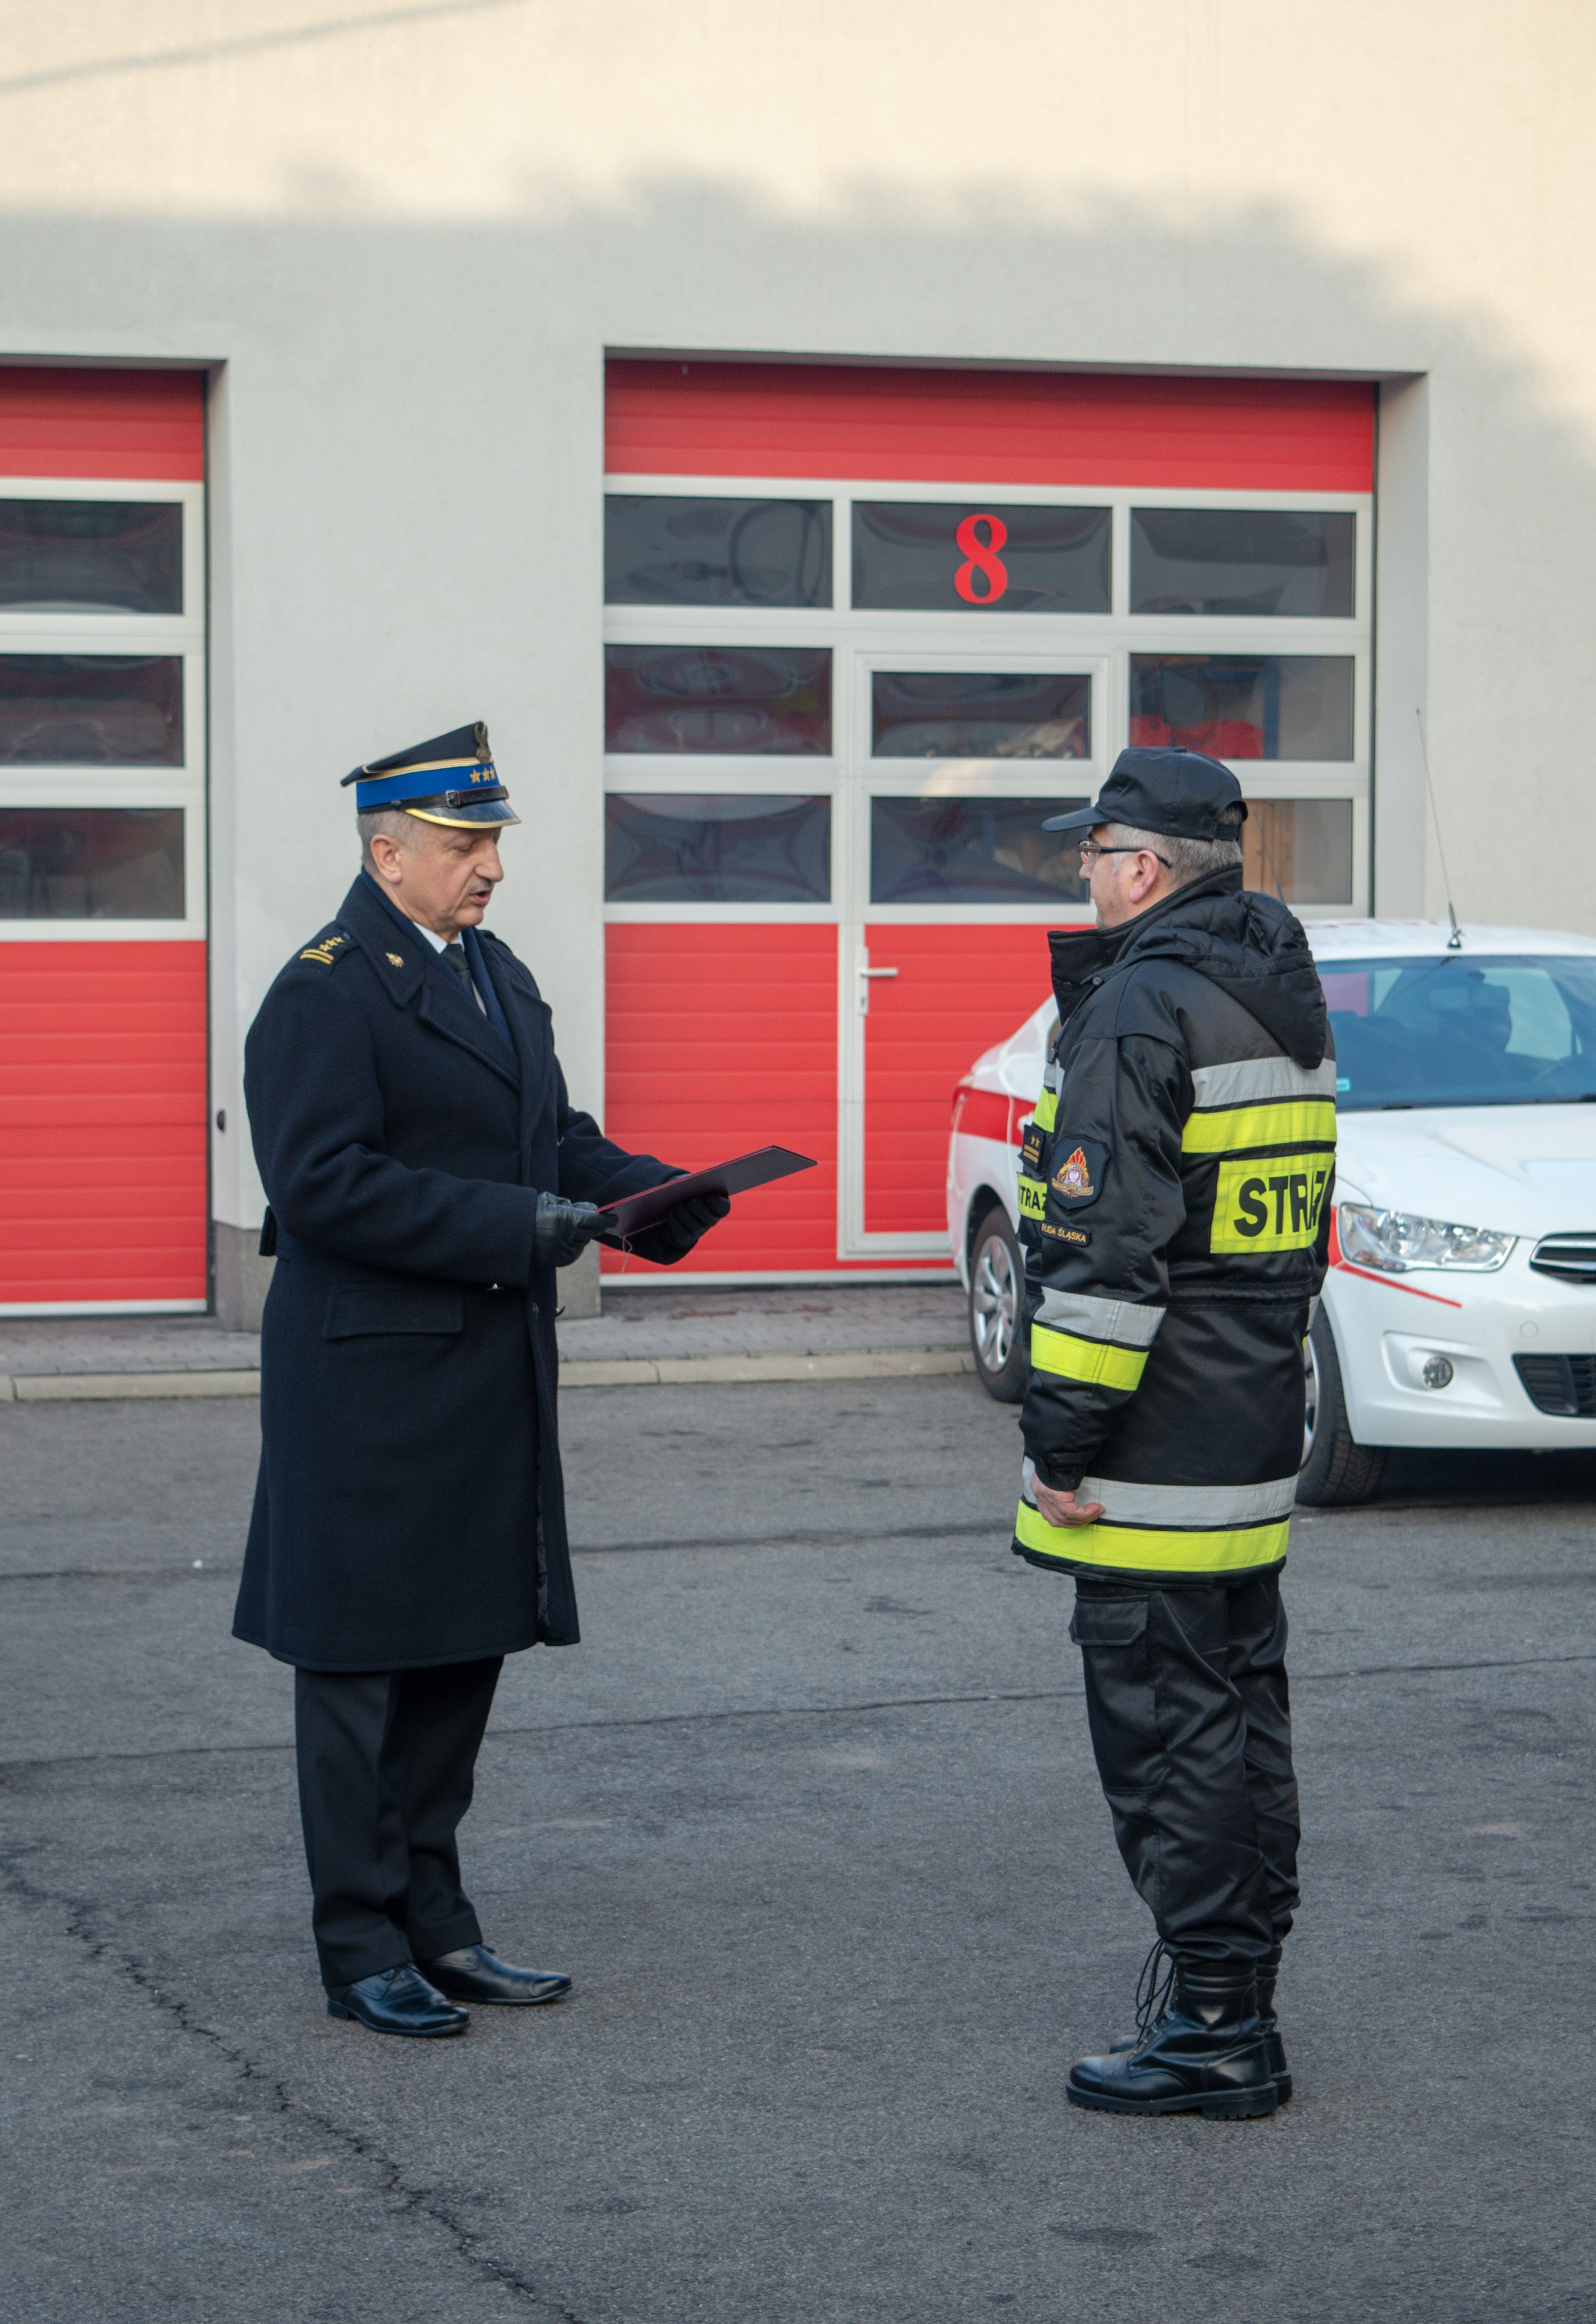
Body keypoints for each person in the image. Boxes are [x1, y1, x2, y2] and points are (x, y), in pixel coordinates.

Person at [233, 721, 726, 2038]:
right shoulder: (324, 991)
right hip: (366, 1387)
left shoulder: (493, 972)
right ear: (386, 853)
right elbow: (324, 1185)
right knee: (359, 1671)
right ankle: (360, 1944)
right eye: (465, 844)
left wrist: (649, 1196)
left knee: (459, 1650)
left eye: (493, 841)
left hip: (477, 1373)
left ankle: (437, 1924)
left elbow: (545, 1134)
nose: (492, 866)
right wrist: (523, 1224)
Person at [1012, 746, 1334, 2120]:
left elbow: (1105, 1259)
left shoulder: (1140, 1007)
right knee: (1238, 1717)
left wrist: (1061, 1447)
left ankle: (1214, 2028)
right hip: (1245, 1430)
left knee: (1167, 1731)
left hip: (1149, 1456)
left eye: (1092, 852)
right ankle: (1238, 1992)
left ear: (1141, 868)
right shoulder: (1274, 995)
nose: (1082, 872)